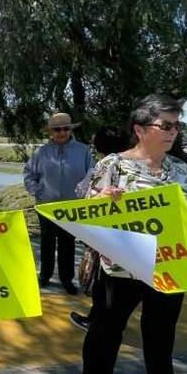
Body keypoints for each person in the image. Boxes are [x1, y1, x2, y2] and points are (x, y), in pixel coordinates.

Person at [74, 95, 187, 374]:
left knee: (161, 336)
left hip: (168, 266)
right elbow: (84, 206)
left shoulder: (179, 167)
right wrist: (99, 199)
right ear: (140, 129)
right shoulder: (113, 164)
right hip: (120, 269)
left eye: (177, 125)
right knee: (105, 332)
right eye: (166, 125)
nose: (173, 132)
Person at [69, 126, 131, 332]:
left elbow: (87, 195)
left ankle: (96, 320)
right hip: (126, 235)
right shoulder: (133, 165)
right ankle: (110, 319)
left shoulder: (106, 164)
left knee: (101, 280)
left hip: (103, 233)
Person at [23, 112, 93, 295]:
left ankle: (66, 279)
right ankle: (44, 276)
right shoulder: (41, 152)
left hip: (72, 207)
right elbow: (29, 174)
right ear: (50, 132)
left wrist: (85, 192)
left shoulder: (83, 151)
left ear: (70, 130)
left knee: (67, 243)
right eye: (57, 129)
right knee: (47, 242)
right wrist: (37, 191)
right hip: (46, 206)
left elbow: (92, 174)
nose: (62, 132)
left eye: (65, 128)